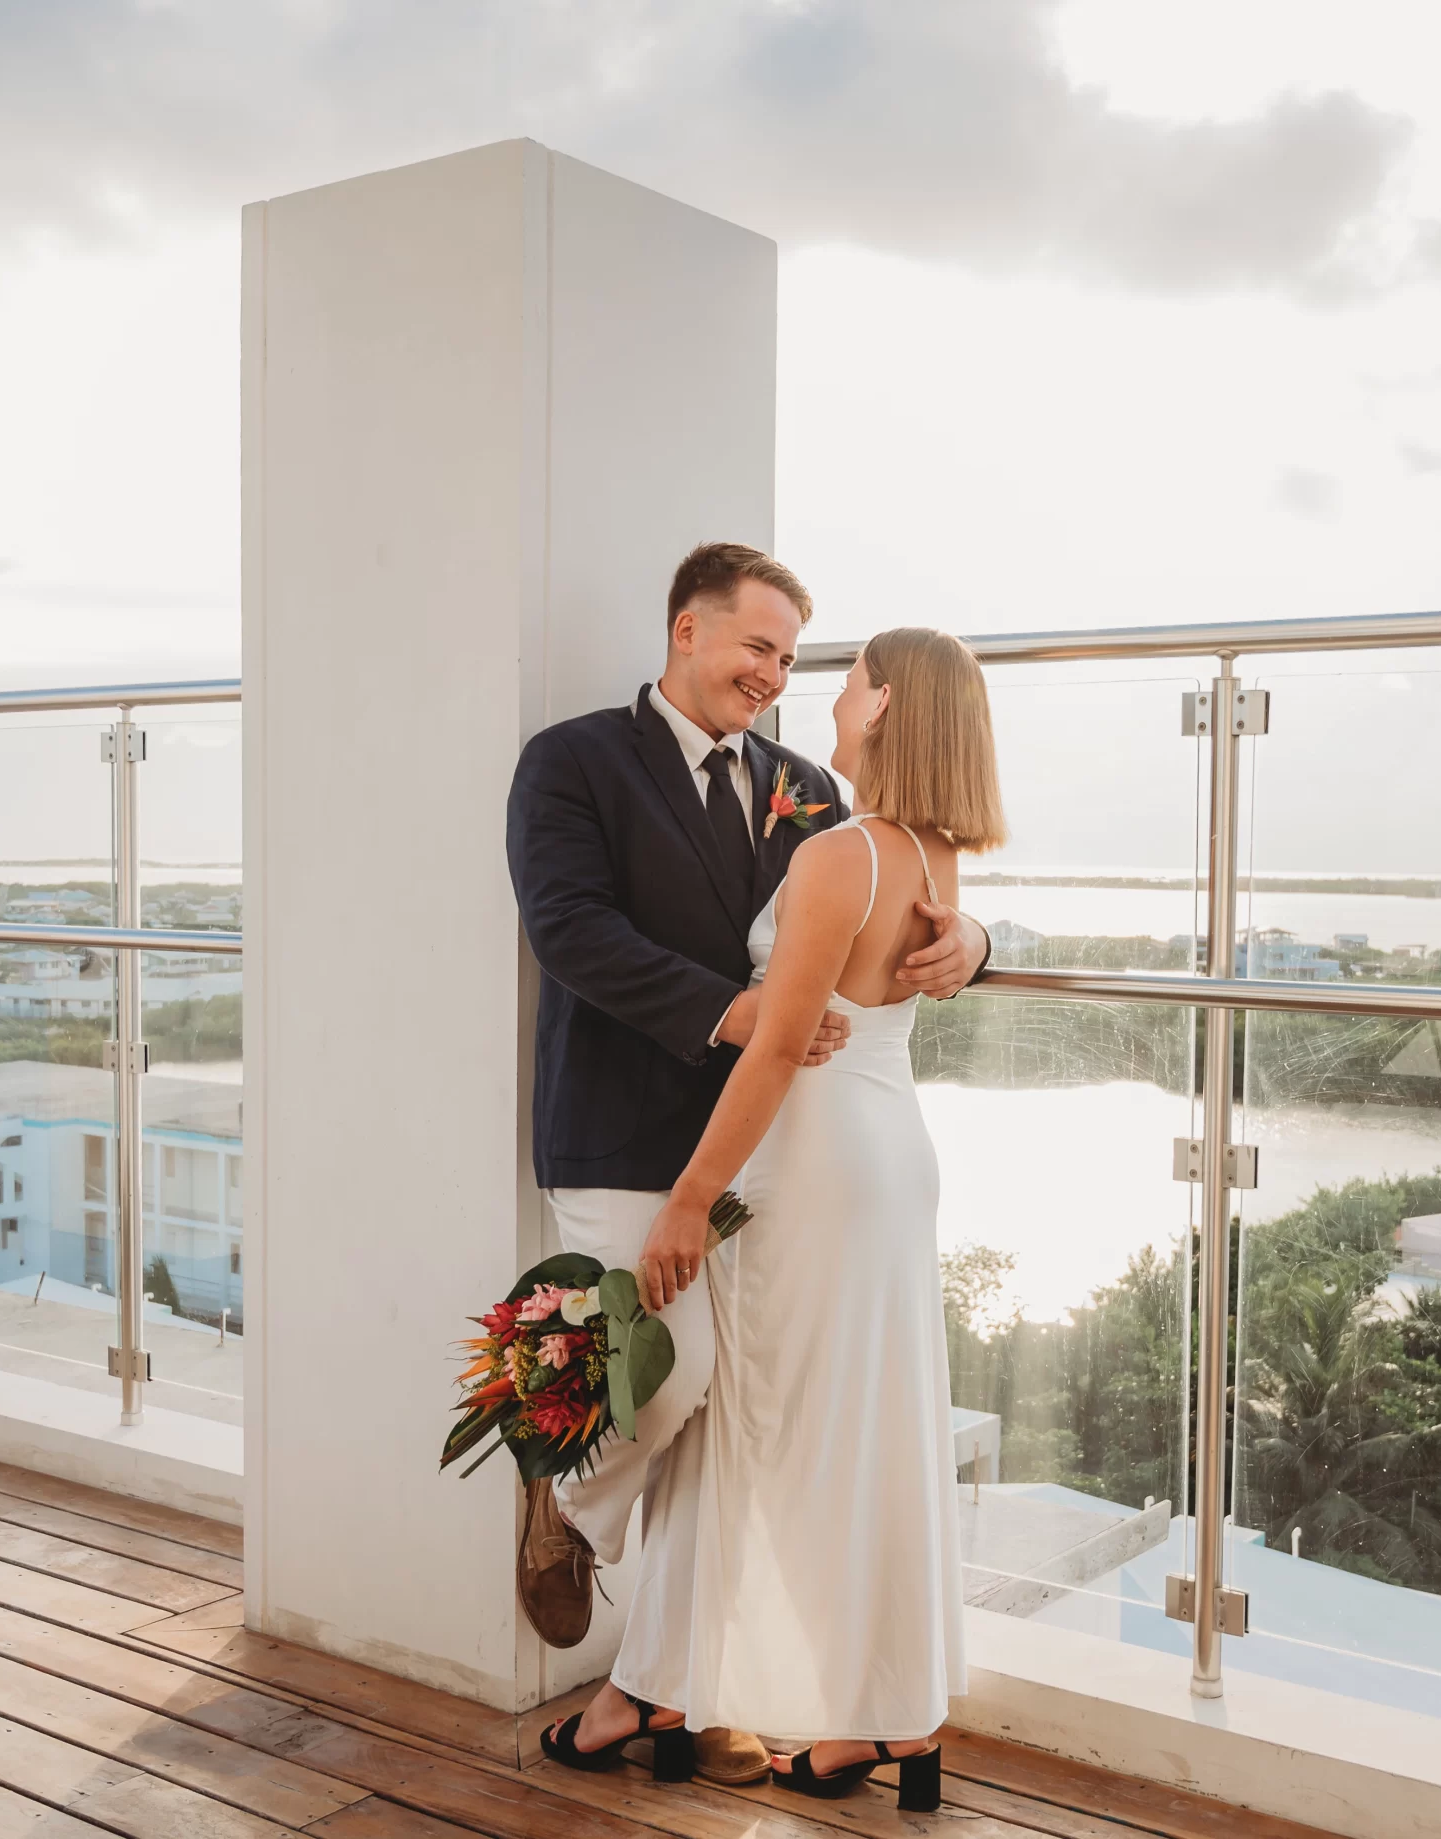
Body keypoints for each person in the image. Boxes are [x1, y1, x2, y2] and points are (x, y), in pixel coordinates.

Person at [505, 547, 990, 1788]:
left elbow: (891, 903)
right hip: (631, 1133)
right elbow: (570, 932)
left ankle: (662, 1689)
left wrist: (978, 940)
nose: (773, 678)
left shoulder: (810, 789)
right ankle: (567, 1502)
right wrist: (732, 1016)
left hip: (779, 1155)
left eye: (792, 659)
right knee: (665, 1393)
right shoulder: (571, 762)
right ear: (685, 630)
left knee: (734, 1434)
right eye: (756, 649)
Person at [619, 626, 1005, 1810]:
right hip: (893, 1156)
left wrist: (688, 1200)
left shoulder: (845, 853)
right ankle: (890, 1718)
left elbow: (782, 1044)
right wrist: (979, 938)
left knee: (765, 1430)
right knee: (875, 1435)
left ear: (883, 705)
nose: (828, 702)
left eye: (845, 683)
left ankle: (727, 1693)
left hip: (818, 1157)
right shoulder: (934, 857)